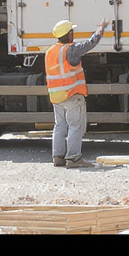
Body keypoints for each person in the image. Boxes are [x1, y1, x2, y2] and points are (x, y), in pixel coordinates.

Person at [45, 18, 107, 168]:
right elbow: (89, 44)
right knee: (75, 126)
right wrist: (100, 30)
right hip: (71, 94)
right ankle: (73, 159)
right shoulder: (70, 50)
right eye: (72, 31)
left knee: (59, 126)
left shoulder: (50, 51)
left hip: (56, 96)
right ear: (68, 34)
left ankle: (58, 157)